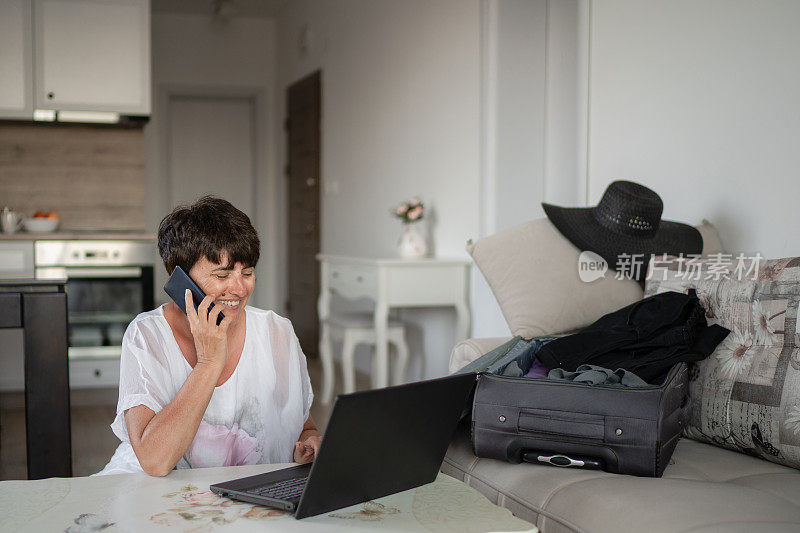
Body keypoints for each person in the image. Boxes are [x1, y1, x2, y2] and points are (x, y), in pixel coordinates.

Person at [96, 196, 320, 476]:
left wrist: (310, 442)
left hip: (248, 496)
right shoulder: (147, 335)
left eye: (247, 273)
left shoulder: (278, 331)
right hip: (159, 498)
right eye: (222, 276)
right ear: (179, 277)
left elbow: (301, 424)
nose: (239, 289)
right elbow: (154, 461)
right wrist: (208, 363)